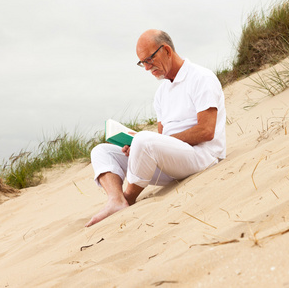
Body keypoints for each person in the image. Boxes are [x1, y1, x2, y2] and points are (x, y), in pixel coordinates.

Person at [86, 29, 226, 227]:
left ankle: (128, 198)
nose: (146, 68)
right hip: (174, 162)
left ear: (166, 50)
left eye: (149, 60)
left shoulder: (201, 78)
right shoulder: (161, 92)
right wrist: (135, 145)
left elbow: (206, 131)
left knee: (144, 140)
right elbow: (162, 139)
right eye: (142, 62)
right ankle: (115, 200)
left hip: (203, 156)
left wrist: (149, 142)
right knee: (101, 151)